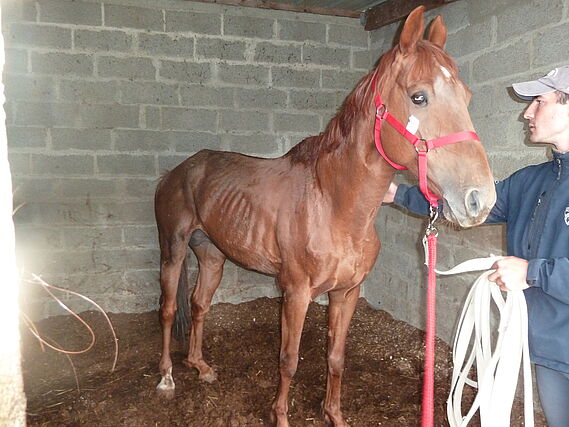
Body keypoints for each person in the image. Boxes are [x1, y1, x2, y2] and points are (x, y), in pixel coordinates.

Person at [383, 66, 569, 427]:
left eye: (539, 101)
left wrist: (532, 272)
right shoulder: (532, 181)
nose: (527, 112)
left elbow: (537, 272)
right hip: (550, 349)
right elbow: (467, 204)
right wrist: (399, 195)